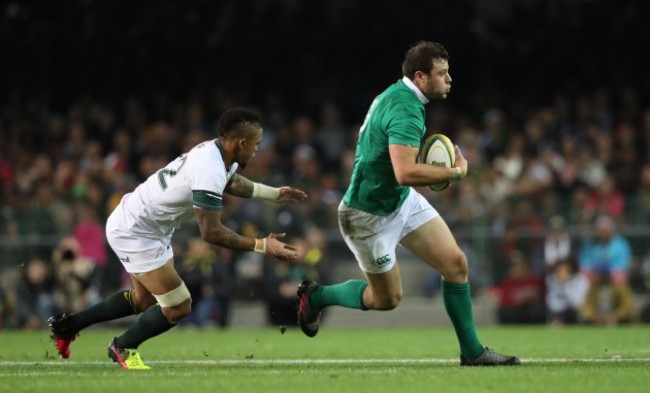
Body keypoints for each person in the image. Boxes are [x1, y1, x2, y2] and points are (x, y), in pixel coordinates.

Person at [297, 41, 520, 366]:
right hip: (366, 215)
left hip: (399, 201)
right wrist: (454, 172)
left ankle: (472, 352)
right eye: (442, 73)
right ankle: (316, 296)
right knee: (386, 299)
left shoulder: (398, 95)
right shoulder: (405, 109)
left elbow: (400, 175)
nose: (449, 79)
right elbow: (404, 171)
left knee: (455, 263)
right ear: (420, 76)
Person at [48, 108, 307, 370]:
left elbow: (231, 181)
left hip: (147, 224)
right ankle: (122, 347)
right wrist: (262, 245)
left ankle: (68, 325)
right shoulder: (210, 167)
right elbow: (211, 232)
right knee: (178, 306)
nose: (256, 150)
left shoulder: (214, 152)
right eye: (256, 144)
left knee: (143, 300)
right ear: (242, 142)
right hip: (135, 230)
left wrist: (273, 194)